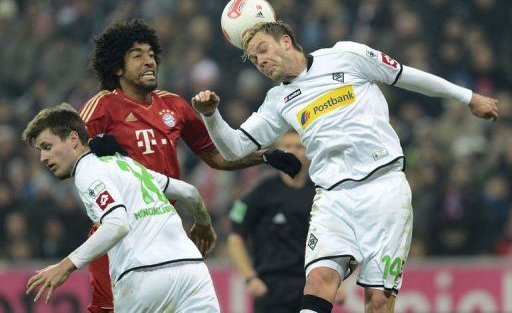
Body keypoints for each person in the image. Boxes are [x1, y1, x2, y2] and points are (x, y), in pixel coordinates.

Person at [191, 21, 499, 313]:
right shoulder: (278, 100)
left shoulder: (346, 56)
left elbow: (405, 75)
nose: (260, 60)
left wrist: (468, 97)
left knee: (378, 300)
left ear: (285, 40)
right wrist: (210, 116)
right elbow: (233, 150)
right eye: (254, 57)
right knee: (317, 282)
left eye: (263, 49)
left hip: (384, 190)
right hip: (333, 199)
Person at [81, 19, 301, 312]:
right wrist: (95, 153)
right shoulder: (104, 106)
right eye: (137, 55)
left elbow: (217, 157)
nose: (149, 62)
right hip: (117, 230)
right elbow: (73, 153)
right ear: (117, 68)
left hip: (163, 226)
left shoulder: (175, 106)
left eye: (151, 54)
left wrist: (265, 156)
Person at [22, 103, 220, 312]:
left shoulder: (87, 171)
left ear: (73, 139)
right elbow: (189, 192)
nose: (43, 158)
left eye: (47, 147)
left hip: (144, 275)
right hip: (192, 270)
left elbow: (117, 224)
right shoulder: (128, 165)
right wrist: (204, 223)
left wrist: (66, 266)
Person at [228, 129, 345, 313]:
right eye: (287, 146)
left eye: (298, 147)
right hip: (271, 286)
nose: (293, 151)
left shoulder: (320, 193)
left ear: (309, 152)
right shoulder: (260, 191)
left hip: (311, 285)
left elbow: (334, 239)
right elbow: (235, 235)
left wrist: (338, 282)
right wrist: (250, 277)